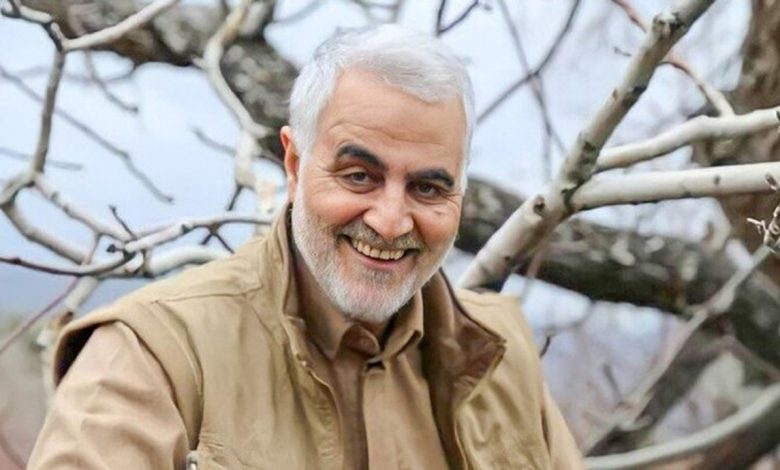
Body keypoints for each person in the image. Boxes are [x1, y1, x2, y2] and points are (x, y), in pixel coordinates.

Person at [28, 25, 584, 469]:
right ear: (294, 165)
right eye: (359, 176)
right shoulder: (152, 355)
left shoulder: (501, 348)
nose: (391, 222)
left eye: (428, 188)